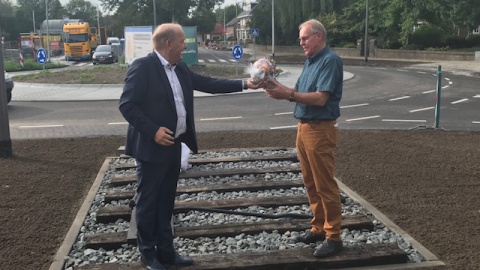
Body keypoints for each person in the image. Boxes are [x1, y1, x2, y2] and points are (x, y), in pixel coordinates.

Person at [119, 23, 261, 270]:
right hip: (152, 149)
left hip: (174, 146)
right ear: (168, 44)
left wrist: (245, 84)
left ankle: (166, 252)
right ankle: (147, 255)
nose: (186, 45)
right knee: (147, 203)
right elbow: (127, 105)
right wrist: (153, 131)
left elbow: (208, 83)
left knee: (165, 202)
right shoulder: (143, 67)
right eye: (183, 41)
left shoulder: (180, 68)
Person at [264, 19, 343, 258]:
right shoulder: (311, 61)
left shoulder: (330, 60)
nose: (301, 43)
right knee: (311, 183)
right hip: (305, 128)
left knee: (325, 185)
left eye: (305, 38)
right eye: (300, 39)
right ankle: (318, 228)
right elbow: (298, 93)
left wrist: (287, 94)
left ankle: (334, 236)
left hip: (319, 130)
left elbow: (320, 98)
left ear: (319, 36)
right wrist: (274, 84)